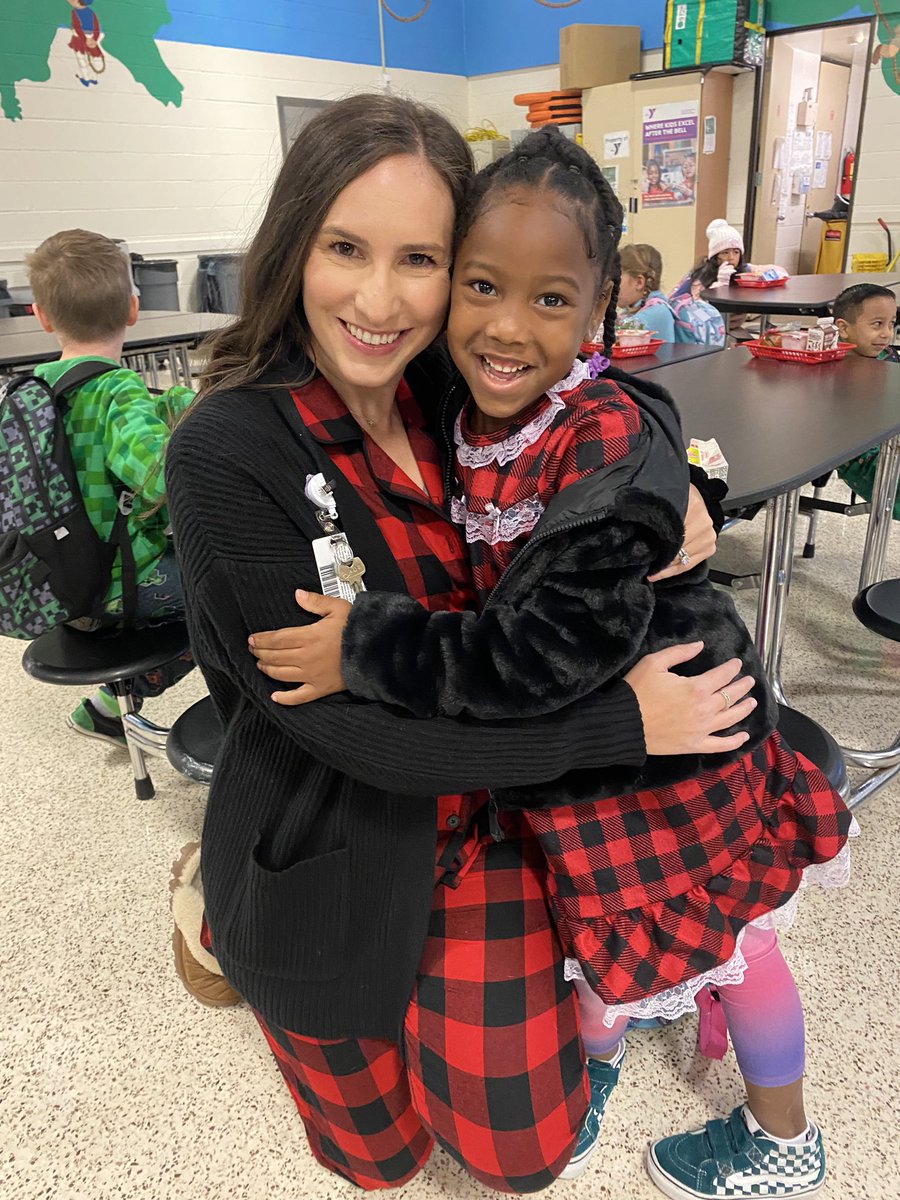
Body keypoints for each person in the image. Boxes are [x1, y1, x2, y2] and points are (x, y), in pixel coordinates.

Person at [164, 94, 762, 1195]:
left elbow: (605, 395)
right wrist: (616, 724)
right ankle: (210, 896)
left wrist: (676, 479)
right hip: (329, 838)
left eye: (423, 261)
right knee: (380, 1159)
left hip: (488, 825)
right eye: (347, 248)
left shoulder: (448, 382)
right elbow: (351, 735)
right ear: (295, 240)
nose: (381, 300)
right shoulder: (227, 448)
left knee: (522, 1154)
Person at [26, 229, 194, 745]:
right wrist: (184, 415)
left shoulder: (32, 393)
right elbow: (162, 479)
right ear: (133, 309)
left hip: (59, 589)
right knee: (234, 589)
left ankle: (104, 709)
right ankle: (248, 722)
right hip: (127, 586)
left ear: (42, 316)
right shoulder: (116, 391)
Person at [833, 283, 900, 518]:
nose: (887, 333)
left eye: (891, 323)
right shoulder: (831, 369)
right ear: (843, 328)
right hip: (863, 456)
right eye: (877, 324)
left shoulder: (888, 357)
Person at [617, 243, 676, 342]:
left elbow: (613, 336)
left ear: (639, 282)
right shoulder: (635, 309)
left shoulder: (657, 312)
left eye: (616, 279)